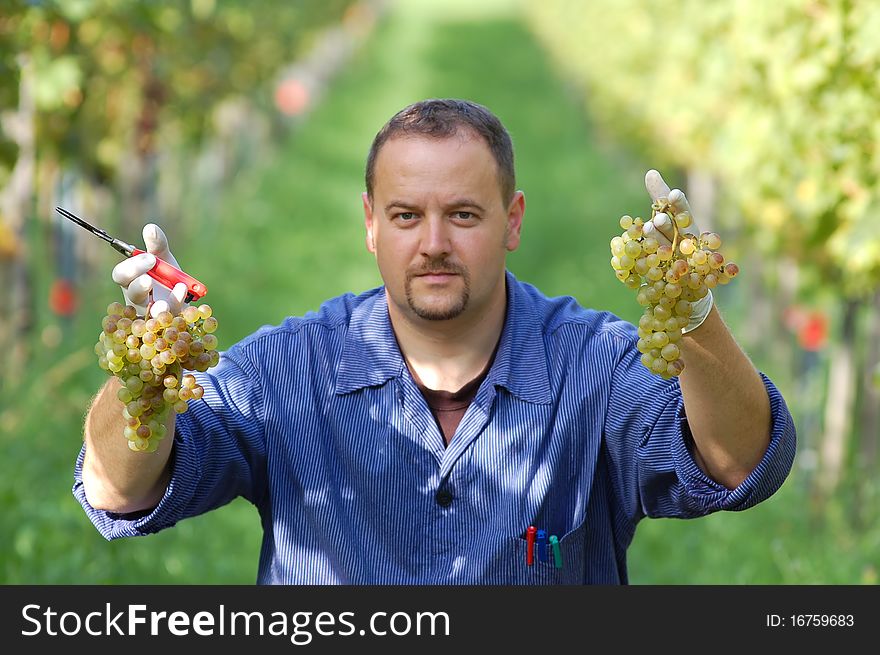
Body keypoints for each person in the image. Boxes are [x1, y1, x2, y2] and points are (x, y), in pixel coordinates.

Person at [74, 98, 796, 584]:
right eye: (406, 215)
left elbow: (737, 460)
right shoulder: (288, 369)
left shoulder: (594, 365)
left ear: (512, 221)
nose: (434, 244)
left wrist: (694, 315)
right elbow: (119, 487)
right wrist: (145, 365)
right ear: (369, 223)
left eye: (463, 214)